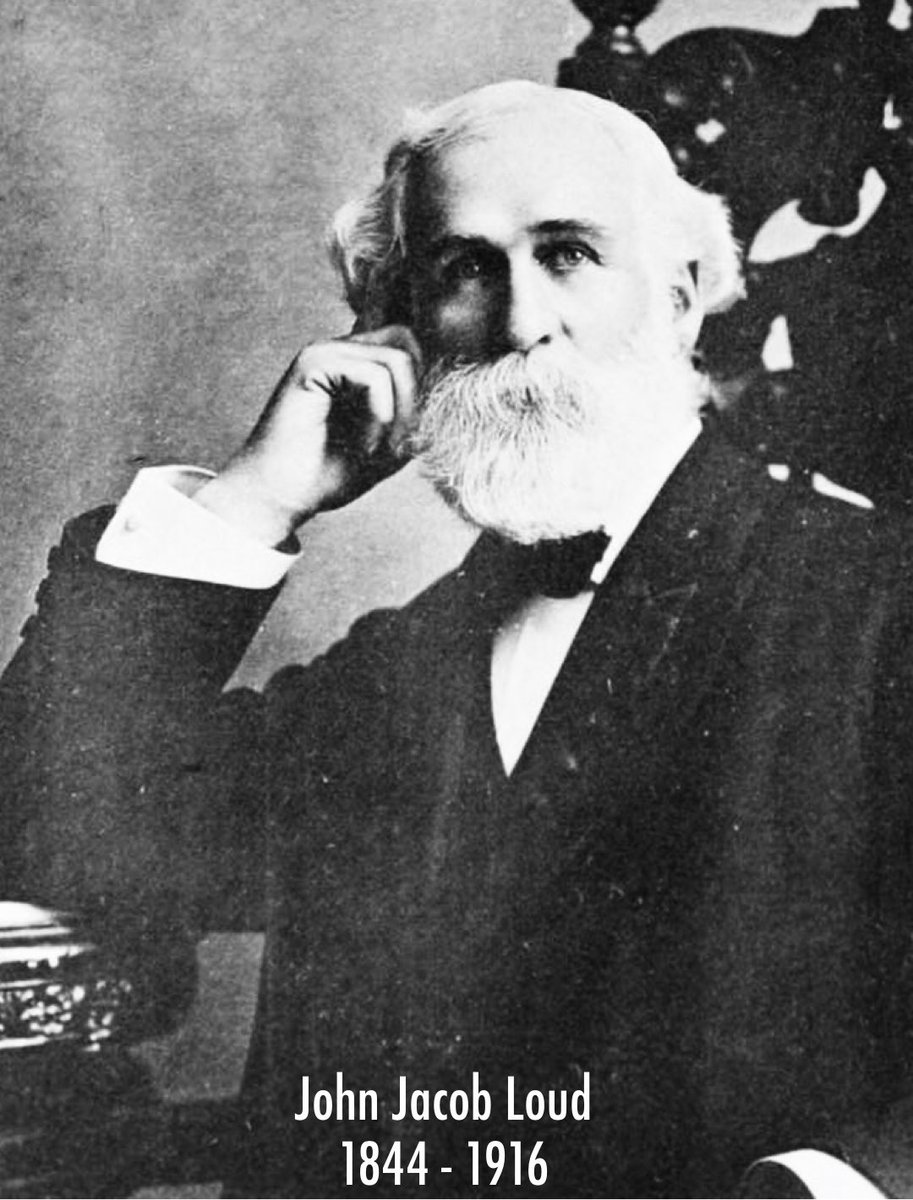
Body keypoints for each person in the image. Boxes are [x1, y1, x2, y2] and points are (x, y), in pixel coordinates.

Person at [1, 79, 912, 1198]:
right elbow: (45, 821)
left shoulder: (878, 607)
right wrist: (253, 498)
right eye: (466, 269)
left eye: (568, 254)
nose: (521, 320)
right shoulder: (394, 671)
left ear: (678, 298)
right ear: (409, 331)